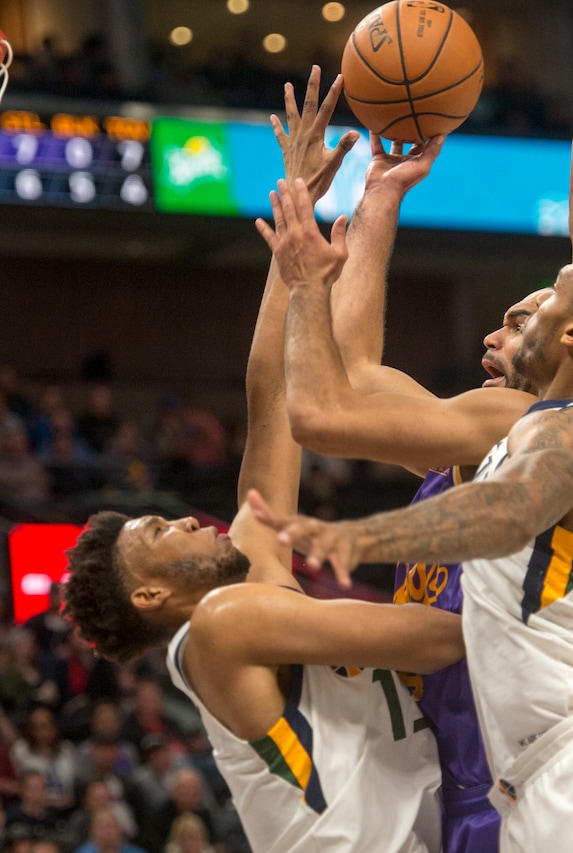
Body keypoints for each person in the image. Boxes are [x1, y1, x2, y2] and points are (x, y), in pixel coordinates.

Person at [257, 2, 573, 850]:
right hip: (493, 783)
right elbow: (353, 376)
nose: (491, 335)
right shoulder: (482, 438)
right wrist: (380, 194)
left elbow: (325, 409)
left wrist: (305, 285)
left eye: (517, 319)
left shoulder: (557, 419)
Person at [62, 68, 465, 853]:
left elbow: (270, 401)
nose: (185, 516)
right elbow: (435, 641)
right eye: (159, 530)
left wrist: (298, 212)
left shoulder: (241, 595)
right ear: (149, 591)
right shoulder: (222, 623)